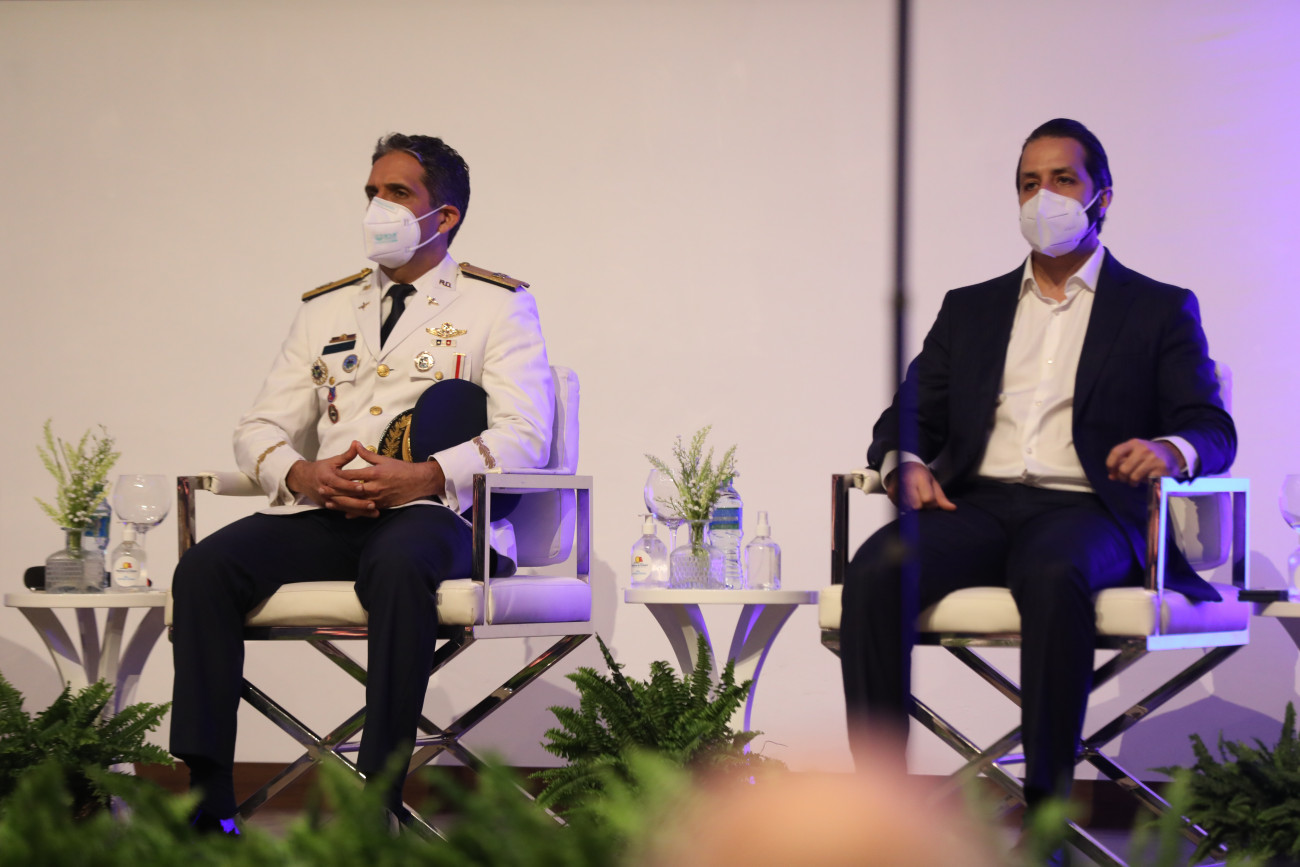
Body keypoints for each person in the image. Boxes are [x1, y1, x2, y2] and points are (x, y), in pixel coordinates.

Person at [840, 119, 1236, 822]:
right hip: (977, 507)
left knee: (1054, 570)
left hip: (1090, 510)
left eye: (1062, 179)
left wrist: (1170, 449)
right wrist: (904, 465)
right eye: (1029, 183)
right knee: (877, 567)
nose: (1043, 196)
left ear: (1102, 196)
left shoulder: (1157, 308)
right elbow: (909, 415)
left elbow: (1212, 426)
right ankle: (879, 811)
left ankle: (1047, 815)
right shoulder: (971, 308)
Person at [169, 133, 555, 831]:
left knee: (398, 563)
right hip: (332, 512)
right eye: (372, 192)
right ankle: (208, 797)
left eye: (398, 193)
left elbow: (527, 435)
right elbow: (259, 426)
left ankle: (377, 797)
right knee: (204, 568)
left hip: (434, 514)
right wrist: (301, 472)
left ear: (444, 217)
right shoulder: (325, 308)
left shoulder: (497, 305)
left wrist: (427, 474)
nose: (379, 206)